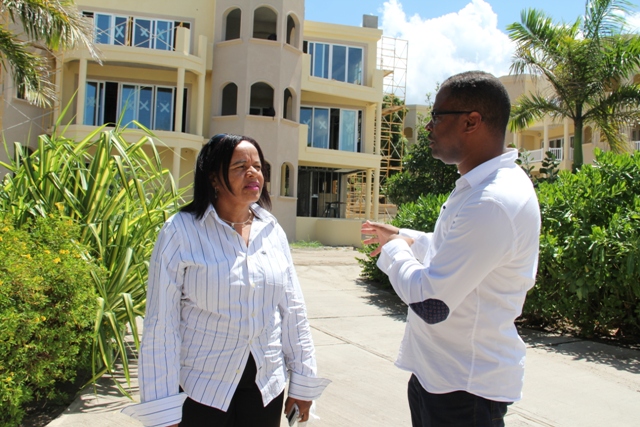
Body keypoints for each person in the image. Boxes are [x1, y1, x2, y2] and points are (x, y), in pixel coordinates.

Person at [361, 71, 540, 427]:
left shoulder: (493, 201)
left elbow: (431, 303)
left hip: (466, 392)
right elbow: (451, 248)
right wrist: (403, 234)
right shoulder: (478, 186)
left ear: (471, 121)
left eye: (437, 116)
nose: (428, 126)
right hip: (440, 379)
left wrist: (394, 250)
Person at [123, 134, 329, 427]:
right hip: (202, 389)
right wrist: (162, 409)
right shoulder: (180, 232)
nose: (253, 172)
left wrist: (303, 382)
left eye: (258, 166)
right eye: (240, 166)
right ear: (214, 178)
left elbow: (293, 311)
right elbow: (161, 324)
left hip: (265, 387)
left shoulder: (272, 231)